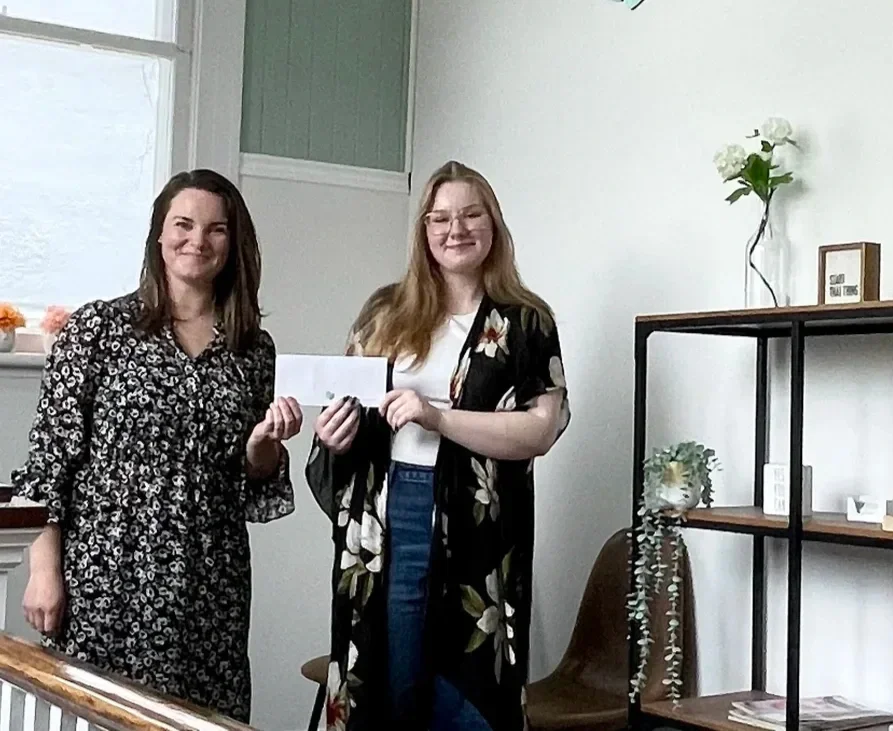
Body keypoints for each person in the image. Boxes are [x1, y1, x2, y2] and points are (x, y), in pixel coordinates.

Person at [11, 168, 302, 722]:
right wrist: (44, 572)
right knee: (97, 718)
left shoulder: (252, 349)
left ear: (233, 243)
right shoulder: (97, 329)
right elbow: (48, 465)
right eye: (183, 224)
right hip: (107, 580)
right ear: (158, 235)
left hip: (210, 589)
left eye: (216, 229)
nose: (198, 240)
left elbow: (249, 481)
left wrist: (263, 446)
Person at [306, 160, 570, 730]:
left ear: (493, 225)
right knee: (392, 675)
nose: (456, 229)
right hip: (389, 511)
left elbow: (540, 430)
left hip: (479, 525)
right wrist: (332, 435)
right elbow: (345, 411)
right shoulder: (385, 312)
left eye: (471, 214)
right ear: (423, 232)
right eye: (440, 218)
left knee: (469, 689)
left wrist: (438, 418)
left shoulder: (525, 322)